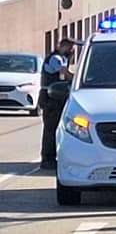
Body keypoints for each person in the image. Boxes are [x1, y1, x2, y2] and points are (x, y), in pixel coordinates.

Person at [39, 37, 77, 170]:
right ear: (64, 46)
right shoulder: (55, 59)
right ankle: (47, 159)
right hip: (50, 97)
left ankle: (52, 157)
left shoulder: (62, 58)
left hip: (57, 96)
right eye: (70, 47)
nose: (72, 50)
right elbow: (65, 74)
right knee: (51, 128)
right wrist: (80, 80)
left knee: (56, 128)